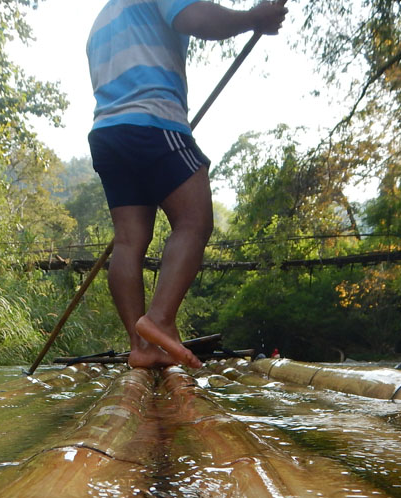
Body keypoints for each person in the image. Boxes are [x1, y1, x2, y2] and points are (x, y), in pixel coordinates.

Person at [87, 0, 287, 369]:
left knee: (129, 239)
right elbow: (195, 17)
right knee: (195, 220)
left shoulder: (101, 21)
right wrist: (253, 19)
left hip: (107, 133)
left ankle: (142, 347)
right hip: (153, 120)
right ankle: (159, 319)